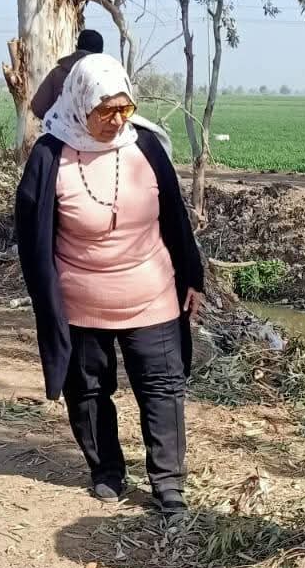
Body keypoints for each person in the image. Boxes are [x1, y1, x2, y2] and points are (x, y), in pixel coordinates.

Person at [15, 54, 204, 513]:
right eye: (105, 110)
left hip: (152, 293)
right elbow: (31, 234)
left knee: (162, 388)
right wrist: (47, 302)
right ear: (81, 103)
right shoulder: (50, 155)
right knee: (88, 390)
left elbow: (175, 216)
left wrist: (192, 277)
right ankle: (106, 470)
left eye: (125, 108)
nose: (117, 120)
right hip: (81, 302)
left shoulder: (146, 146)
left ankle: (168, 481)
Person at [29, 28, 105, 121]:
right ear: (101, 52)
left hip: (60, 128)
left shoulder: (57, 73)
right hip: (98, 129)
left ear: (76, 48)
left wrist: (58, 119)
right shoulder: (107, 75)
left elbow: (38, 107)